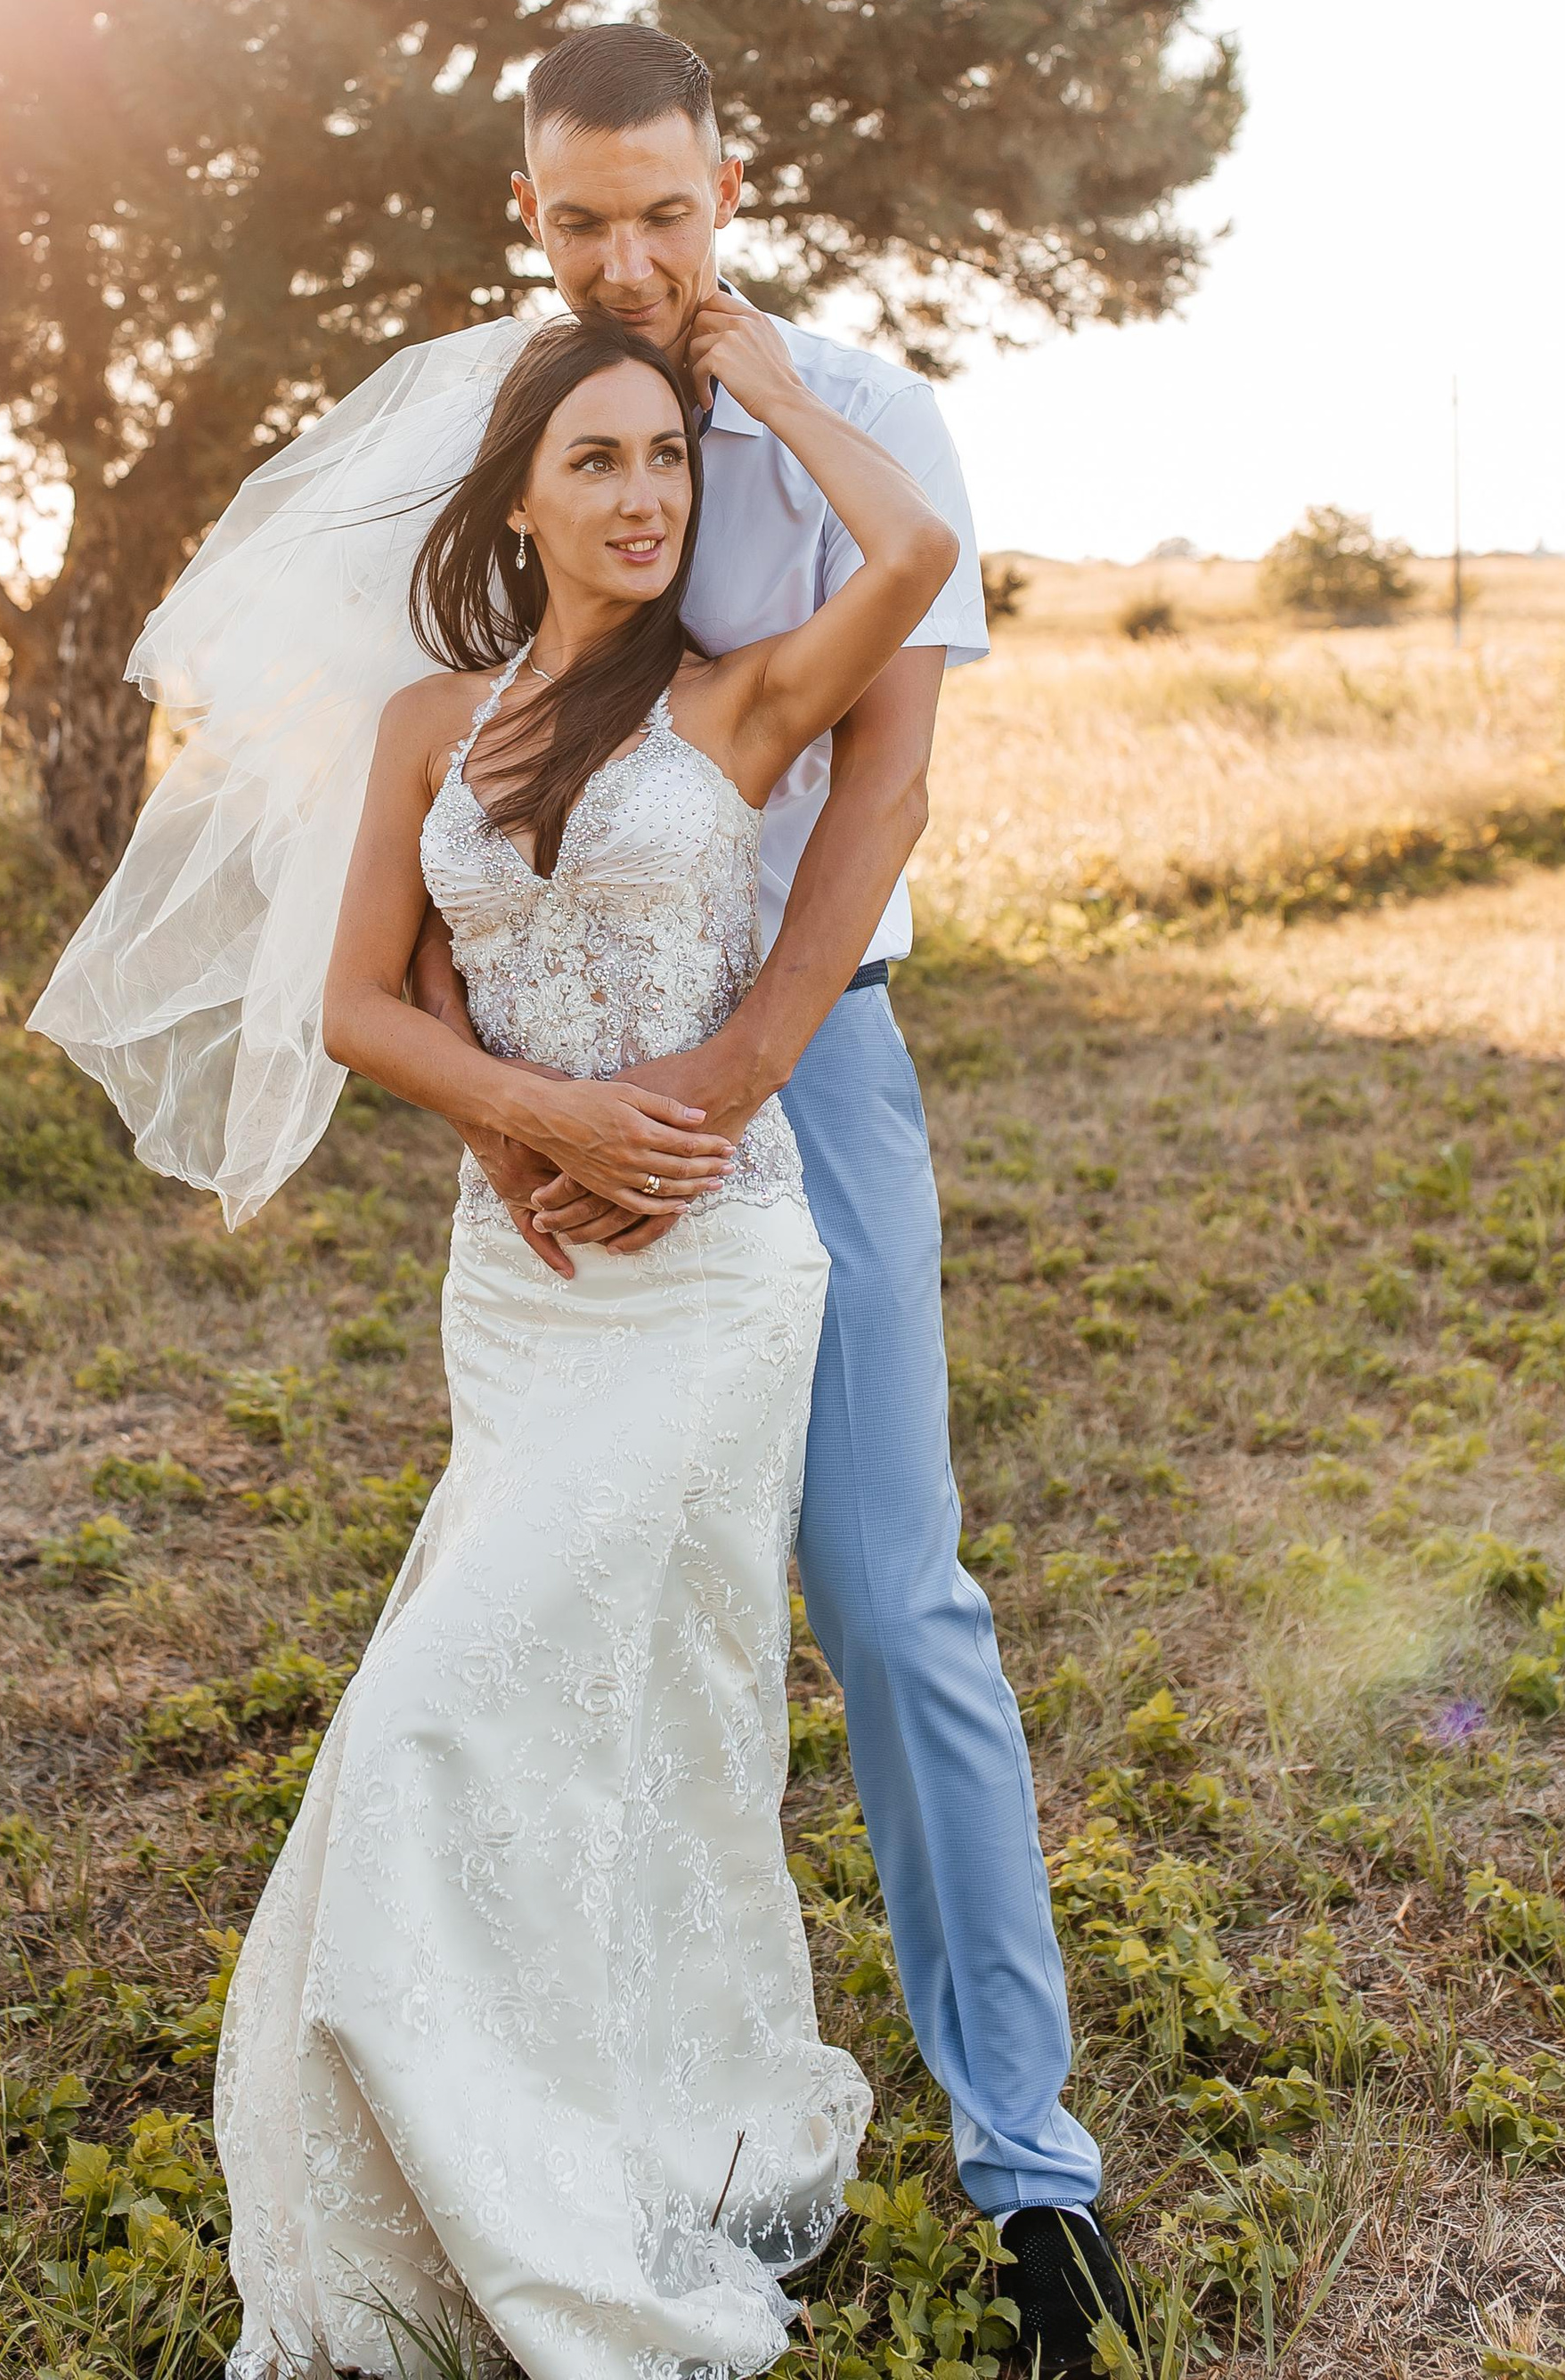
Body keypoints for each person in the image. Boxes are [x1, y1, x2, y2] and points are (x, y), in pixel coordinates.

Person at [33, 24, 1133, 2376]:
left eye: (664, 213)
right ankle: (564, 2109)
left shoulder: (866, 411)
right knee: (584, 1644)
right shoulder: (506, 417)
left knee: (889, 1592)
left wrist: (709, 1090)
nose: (626, 261)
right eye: (576, 220)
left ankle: (1029, 2173)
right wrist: (518, 1118)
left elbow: (879, 795)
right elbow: (435, 875)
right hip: (546, 1133)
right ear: (526, 209)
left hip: (790, 1068)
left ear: (730, 186)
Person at [214, 299, 951, 2380]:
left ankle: (610, 2157)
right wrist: (525, 1120)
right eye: (599, 464)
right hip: (520, 1276)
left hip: (716, 1275)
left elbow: (901, 564)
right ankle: (502, 2148)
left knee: (551, 1700)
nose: (643, 498)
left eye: (667, 463)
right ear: (519, 499)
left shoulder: (731, 705)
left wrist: (777, 398)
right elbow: (359, 1002)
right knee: (527, 1701)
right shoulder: (427, 726)